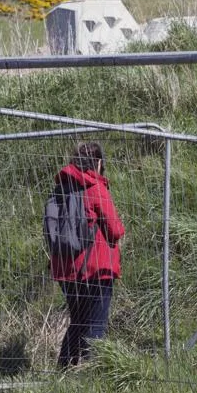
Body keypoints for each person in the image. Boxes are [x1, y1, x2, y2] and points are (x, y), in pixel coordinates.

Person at [50, 142, 125, 368]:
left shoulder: (61, 189)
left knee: (78, 321)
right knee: (95, 324)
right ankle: (92, 372)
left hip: (67, 270)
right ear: (99, 163)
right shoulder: (96, 188)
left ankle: (64, 369)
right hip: (97, 270)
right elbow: (115, 230)